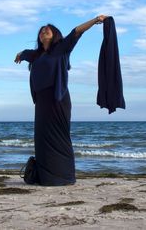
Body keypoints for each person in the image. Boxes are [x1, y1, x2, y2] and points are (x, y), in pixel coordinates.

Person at [14, 15, 108, 186]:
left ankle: (64, 177)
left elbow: (76, 31)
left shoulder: (61, 48)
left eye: (47, 30)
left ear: (55, 34)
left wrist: (95, 20)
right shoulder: (35, 55)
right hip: (41, 102)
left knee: (60, 137)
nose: (44, 31)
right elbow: (24, 53)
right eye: (41, 31)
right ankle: (46, 177)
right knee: (42, 138)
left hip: (58, 99)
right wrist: (19, 54)